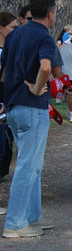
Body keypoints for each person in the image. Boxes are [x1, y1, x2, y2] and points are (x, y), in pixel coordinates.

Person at [1, 0, 57, 238]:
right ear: (50, 13)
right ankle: (15, 224)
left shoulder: (14, 34)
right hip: (32, 107)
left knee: (34, 164)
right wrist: (36, 88)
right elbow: (46, 67)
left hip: (13, 106)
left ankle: (32, 217)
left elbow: (3, 70)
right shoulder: (44, 37)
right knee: (28, 166)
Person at [0, 11, 18, 186]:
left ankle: (3, 171)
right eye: (12, 27)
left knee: (7, 143)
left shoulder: (13, 48)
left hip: (9, 100)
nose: (15, 31)